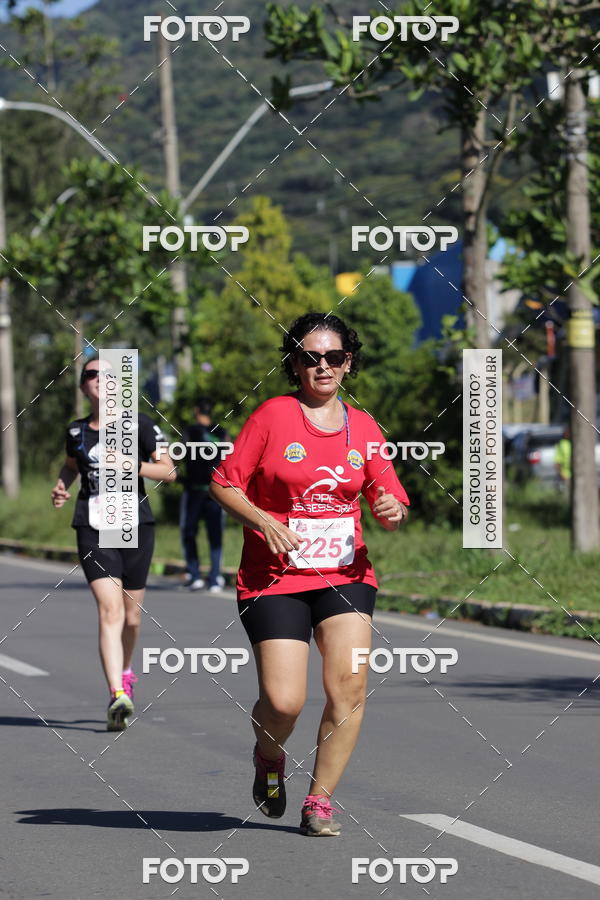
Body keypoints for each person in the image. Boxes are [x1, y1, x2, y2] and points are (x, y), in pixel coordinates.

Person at [209, 312, 409, 837]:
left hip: (346, 574)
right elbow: (224, 483)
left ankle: (319, 801)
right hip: (274, 577)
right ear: (295, 364)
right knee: (284, 702)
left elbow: (390, 497)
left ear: (349, 363)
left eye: (334, 357)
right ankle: (269, 757)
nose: (323, 366)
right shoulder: (273, 416)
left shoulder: (364, 427)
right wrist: (264, 521)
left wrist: (390, 509)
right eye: (310, 357)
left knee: (349, 687)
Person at [51, 357, 177, 731]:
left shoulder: (139, 424)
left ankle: (125, 670)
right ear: (83, 386)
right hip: (92, 525)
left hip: (134, 525)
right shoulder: (76, 431)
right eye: (92, 374)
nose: (100, 379)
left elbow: (169, 471)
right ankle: (116, 694)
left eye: (107, 374)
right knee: (110, 610)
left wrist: (128, 464)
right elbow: (71, 465)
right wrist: (62, 486)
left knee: (131, 617)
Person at [179, 397, 229, 592]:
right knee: (215, 535)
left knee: (189, 532)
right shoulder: (221, 432)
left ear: (196, 410)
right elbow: (229, 458)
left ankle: (194, 575)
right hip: (216, 491)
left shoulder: (189, 431)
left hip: (194, 490)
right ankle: (215, 578)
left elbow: (178, 455)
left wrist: (179, 476)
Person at [554, 426, 571, 490]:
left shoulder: (575, 442)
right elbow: (557, 461)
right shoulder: (561, 444)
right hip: (565, 475)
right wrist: (561, 474)